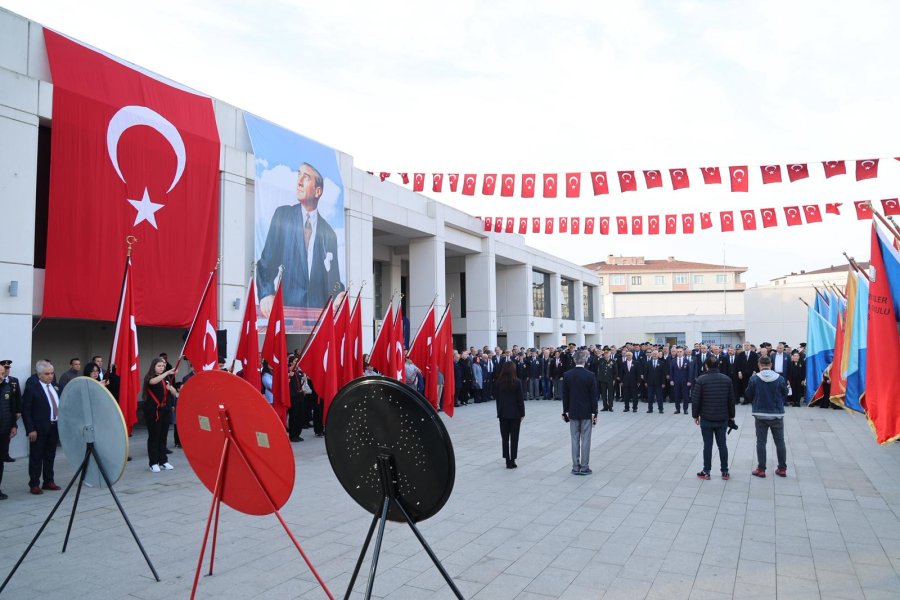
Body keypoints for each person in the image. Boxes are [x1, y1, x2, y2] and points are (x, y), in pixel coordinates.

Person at [257, 162, 344, 316]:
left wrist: (339, 294)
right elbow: (266, 264)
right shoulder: (283, 216)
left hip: (318, 318)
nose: (299, 182)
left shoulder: (329, 233)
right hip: (287, 314)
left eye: (306, 177)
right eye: (299, 175)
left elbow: (334, 281)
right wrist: (266, 293)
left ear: (318, 191)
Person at [691, 356, 736, 480]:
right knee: (722, 445)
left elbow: (696, 400)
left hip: (706, 418)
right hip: (722, 418)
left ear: (706, 366)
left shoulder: (701, 380)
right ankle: (725, 471)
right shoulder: (727, 379)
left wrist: (695, 415)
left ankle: (706, 471)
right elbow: (731, 401)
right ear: (718, 365)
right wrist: (732, 417)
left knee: (708, 445)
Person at [22, 360, 61, 494]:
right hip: (38, 429)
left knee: (50, 455)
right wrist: (30, 429)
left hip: (54, 427)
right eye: (47, 374)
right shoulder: (33, 388)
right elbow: (26, 410)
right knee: (36, 457)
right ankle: (34, 484)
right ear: (39, 375)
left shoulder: (55, 386)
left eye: (52, 373)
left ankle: (48, 481)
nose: (50, 376)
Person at [745, 355, 789, 478]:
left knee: (761, 442)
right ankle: (782, 469)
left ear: (759, 365)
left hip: (760, 414)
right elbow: (785, 393)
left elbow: (748, 394)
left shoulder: (754, 378)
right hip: (777, 414)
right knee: (780, 442)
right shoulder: (780, 378)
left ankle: (761, 469)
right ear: (771, 365)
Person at [562, 350, 598, 476]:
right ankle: (585, 466)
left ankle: (575, 467)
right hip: (587, 411)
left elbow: (565, 395)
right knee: (586, 439)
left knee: (574, 439)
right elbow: (594, 396)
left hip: (572, 411)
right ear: (585, 360)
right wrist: (595, 413)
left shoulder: (567, 375)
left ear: (573, 360)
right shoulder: (590, 375)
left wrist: (565, 411)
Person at [142, 358, 177, 473]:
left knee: (163, 436)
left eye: (163, 366)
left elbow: (174, 392)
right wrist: (167, 372)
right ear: (154, 367)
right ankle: (153, 462)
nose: (161, 368)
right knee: (154, 437)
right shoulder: (150, 378)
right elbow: (153, 382)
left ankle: (163, 461)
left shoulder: (166, 379)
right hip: (153, 411)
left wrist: (173, 390)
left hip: (165, 410)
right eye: (159, 366)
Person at [495, 362, 525, 469]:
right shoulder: (517, 382)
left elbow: (497, 399)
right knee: (514, 438)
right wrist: (522, 413)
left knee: (505, 438)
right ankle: (513, 459)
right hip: (515, 413)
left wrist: (498, 411)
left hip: (503, 413)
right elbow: (520, 400)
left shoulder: (499, 382)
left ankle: (507, 460)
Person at [0, 364, 18, 499]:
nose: (2, 376)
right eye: (0, 373)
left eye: (2, 373)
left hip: (4, 431)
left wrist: (13, 425)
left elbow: (12, 409)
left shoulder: (7, 387)